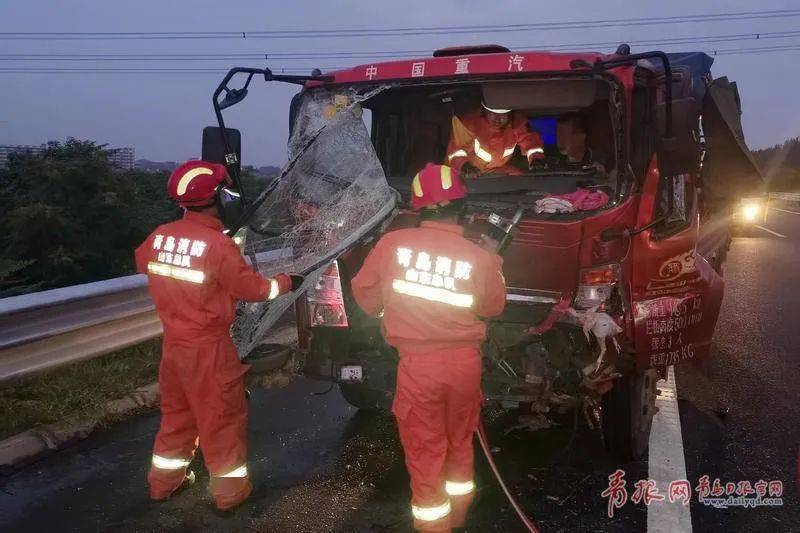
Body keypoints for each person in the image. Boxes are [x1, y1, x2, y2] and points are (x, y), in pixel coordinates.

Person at [135, 160, 301, 511]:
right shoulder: (217, 246)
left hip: (174, 349)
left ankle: (163, 484)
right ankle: (230, 495)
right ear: (217, 198)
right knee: (221, 421)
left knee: (177, 417)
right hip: (209, 350)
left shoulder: (159, 236)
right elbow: (254, 290)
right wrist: (287, 282)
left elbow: (144, 262)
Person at [351, 163, 507, 531]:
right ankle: (457, 516)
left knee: (425, 450)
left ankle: (434, 526)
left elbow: (366, 298)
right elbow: (492, 307)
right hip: (465, 366)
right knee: (459, 442)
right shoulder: (479, 256)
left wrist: (395, 310)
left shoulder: (392, 245)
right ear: (461, 208)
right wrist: (494, 258)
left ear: (418, 207)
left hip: (419, 368)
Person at [446, 102, 544, 178]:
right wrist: (464, 166)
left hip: (496, 169)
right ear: (484, 111)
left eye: (503, 115)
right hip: (468, 172)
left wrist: (536, 159)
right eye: (492, 114)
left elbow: (531, 142)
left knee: (519, 179)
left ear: (510, 114)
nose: (497, 119)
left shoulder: (517, 122)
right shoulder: (469, 123)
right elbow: (456, 149)